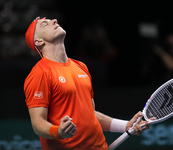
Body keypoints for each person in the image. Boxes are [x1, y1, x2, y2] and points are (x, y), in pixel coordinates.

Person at [24, 17, 152, 150]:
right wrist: (58, 132)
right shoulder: (40, 73)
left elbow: (91, 114)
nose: (54, 21)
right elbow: (38, 123)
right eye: (45, 24)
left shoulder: (81, 67)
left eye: (51, 20)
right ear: (38, 41)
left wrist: (125, 126)